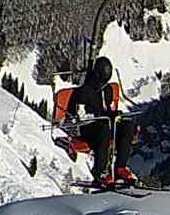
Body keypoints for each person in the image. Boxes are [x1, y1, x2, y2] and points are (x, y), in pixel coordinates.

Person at [58, 55, 136, 186]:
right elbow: (81, 116)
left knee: (127, 126)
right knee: (103, 130)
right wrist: (101, 117)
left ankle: (120, 168)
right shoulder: (84, 91)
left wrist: (113, 115)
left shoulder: (107, 90)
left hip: (103, 123)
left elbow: (106, 109)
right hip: (87, 127)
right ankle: (100, 172)